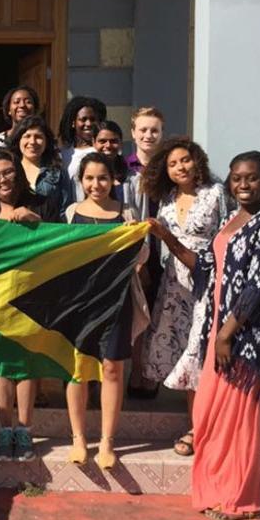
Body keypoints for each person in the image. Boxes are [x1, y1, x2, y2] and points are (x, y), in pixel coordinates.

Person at [147, 150, 260, 520]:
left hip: (246, 335)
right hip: (217, 329)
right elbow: (205, 267)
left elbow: (256, 287)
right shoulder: (230, 218)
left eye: (252, 178)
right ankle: (216, 490)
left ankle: (240, 500)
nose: (244, 184)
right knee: (211, 414)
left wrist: (227, 335)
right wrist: (167, 238)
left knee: (238, 419)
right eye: (237, 178)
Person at [139, 138, 230, 456]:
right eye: (173, 163)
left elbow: (227, 236)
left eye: (185, 160)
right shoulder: (166, 198)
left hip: (207, 282)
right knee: (183, 356)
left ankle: (198, 430)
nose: (180, 167)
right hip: (174, 285)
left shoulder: (215, 193)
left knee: (199, 356)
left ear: (198, 161)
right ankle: (200, 425)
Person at [63, 153, 148, 468]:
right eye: (89, 178)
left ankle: (107, 443)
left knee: (112, 369)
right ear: (81, 180)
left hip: (117, 301)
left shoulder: (127, 212)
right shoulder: (70, 214)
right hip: (79, 303)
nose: (95, 184)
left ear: (113, 179)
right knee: (77, 370)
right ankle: (78, 439)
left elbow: (141, 259)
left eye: (102, 178)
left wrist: (136, 234)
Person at [0, 149, 59, 462]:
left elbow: (59, 242)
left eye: (7, 173)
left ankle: (25, 431)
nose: (2, 180)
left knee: (25, 364)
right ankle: (5, 431)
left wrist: (34, 221)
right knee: (1, 366)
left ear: (19, 174)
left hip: (32, 294)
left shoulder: (41, 203)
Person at [123, 106, 166, 399]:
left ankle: (153, 373)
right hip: (136, 249)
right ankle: (136, 372)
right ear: (133, 132)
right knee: (139, 313)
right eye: (144, 129)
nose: (149, 135)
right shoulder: (124, 168)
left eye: (155, 130)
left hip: (166, 249)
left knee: (160, 314)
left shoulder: (170, 168)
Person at [7, 114, 72, 216]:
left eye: (38, 137)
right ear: (18, 140)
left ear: (47, 141)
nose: (32, 142)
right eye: (27, 136)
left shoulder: (57, 173)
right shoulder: (8, 170)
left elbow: (65, 210)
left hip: (48, 230)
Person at [0, 85, 41, 151]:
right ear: (9, 110)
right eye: (17, 102)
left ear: (35, 109)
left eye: (28, 102)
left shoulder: (43, 141)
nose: (22, 105)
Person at [92, 121, 130, 202]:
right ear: (93, 142)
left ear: (120, 143)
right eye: (102, 141)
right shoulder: (86, 173)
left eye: (113, 141)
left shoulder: (131, 175)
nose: (108, 145)